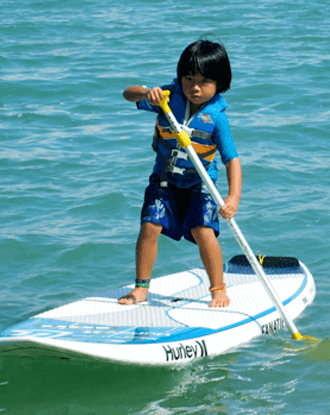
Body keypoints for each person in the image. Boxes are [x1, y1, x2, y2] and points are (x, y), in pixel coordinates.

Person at [119, 39, 242, 308]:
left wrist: (233, 198)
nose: (194, 88)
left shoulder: (217, 118)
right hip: (164, 180)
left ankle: (218, 289)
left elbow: (231, 160)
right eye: (188, 80)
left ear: (219, 84)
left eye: (204, 82)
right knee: (150, 225)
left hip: (200, 185)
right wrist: (144, 92)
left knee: (203, 231)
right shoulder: (167, 98)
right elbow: (127, 94)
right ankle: (141, 288)